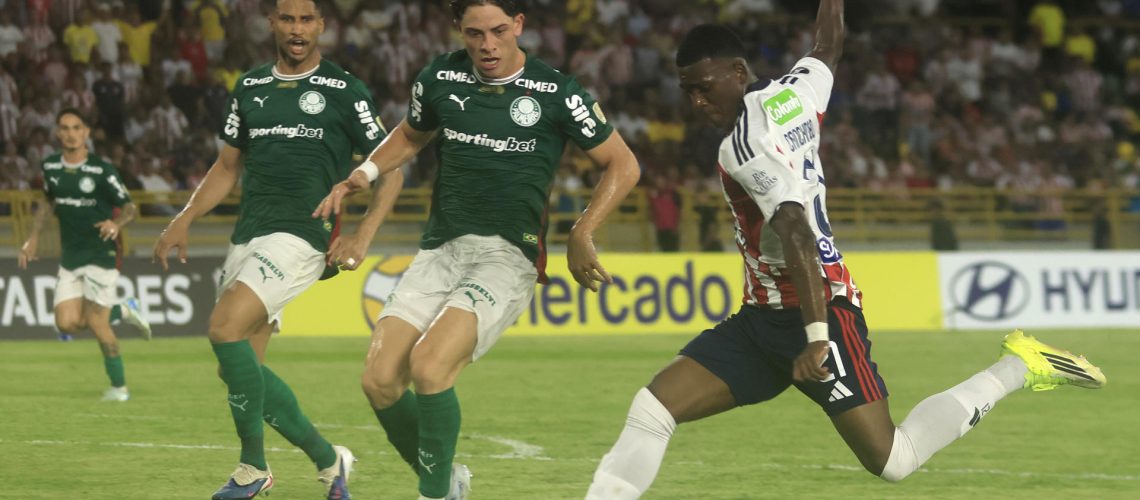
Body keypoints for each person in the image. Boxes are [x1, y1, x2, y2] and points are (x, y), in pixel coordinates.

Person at [585, 2, 1107, 498]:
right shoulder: (795, 92)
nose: (697, 102)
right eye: (687, 91)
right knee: (653, 408)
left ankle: (1017, 367)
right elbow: (828, 44)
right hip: (761, 320)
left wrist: (815, 337)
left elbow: (796, 235)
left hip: (819, 314)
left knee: (894, 460)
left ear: (738, 71)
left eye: (703, 87)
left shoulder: (744, 145)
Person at [312, 1, 640, 498]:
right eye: (475, 34)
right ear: (458, 31)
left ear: (519, 27)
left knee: (428, 368)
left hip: (506, 256)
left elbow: (623, 163)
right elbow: (408, 135)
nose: (487, 45)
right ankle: (446, 481)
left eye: (498, 31)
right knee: (379, 380)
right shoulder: (440, 77)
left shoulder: (557, 92)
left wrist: (582, 231)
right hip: (441, 249)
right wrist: (363, 175)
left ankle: (435, 494)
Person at [152, 1, 401, 498]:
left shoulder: (344, 89)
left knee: (223, 327)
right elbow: (227, 167)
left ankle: (252, 468)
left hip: (302, 234)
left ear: (321, 26)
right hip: (249, 234)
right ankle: (331, 463)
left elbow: (391, 166)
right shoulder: (249, 87)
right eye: (287, 19)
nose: (297, 29)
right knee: (239, 368)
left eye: (306, 20)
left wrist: (363, 236)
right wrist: (185, 216)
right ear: (271, 24)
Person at [17, 108, 152, 402]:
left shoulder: (102, 171)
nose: (70, 133)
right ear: (57, 133)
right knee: (66, 324)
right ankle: (125, 309)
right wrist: (33, 238)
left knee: (97, 322)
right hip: (71, 256)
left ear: (86, 133)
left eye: (76, 127)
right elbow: (47, 203)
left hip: (102, 253)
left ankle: (119, 389)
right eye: (64, 127)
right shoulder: (50, 166)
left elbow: (130, 207)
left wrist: (116, 224)